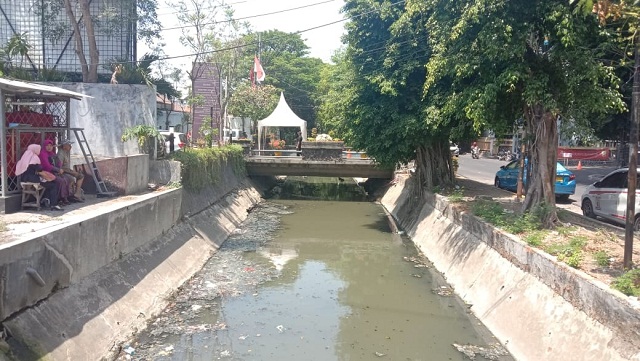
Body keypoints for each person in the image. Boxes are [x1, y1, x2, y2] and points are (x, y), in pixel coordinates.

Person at [15, 144, 63, 211]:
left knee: (49, 183)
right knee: (53, 185)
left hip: (24, 178)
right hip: (33, 179)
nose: (39, 151)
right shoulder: (34, 158)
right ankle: (53, 205)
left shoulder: (25, 156)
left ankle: (46, 200)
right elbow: (39, 169)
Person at [39, 139, 72, 205]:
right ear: (44, 146)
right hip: (45, 174)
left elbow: (58, 162)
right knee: (60, 181)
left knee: (66, 178)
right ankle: (60, 198)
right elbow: (47, 166)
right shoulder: (43, 154)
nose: (49, 147)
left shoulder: (52, 154)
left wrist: (59, 169)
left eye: (51, 145)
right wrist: (57, 170)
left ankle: (65, 197)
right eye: (47, 145)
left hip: (53, 172)